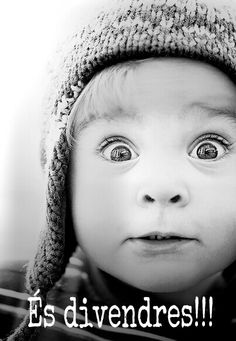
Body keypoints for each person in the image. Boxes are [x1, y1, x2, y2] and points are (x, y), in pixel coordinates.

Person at [1, 0, 236, 340]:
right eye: (119, 151)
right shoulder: (9, 304)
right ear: (62, 180)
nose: (161, 186)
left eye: (208, 149)